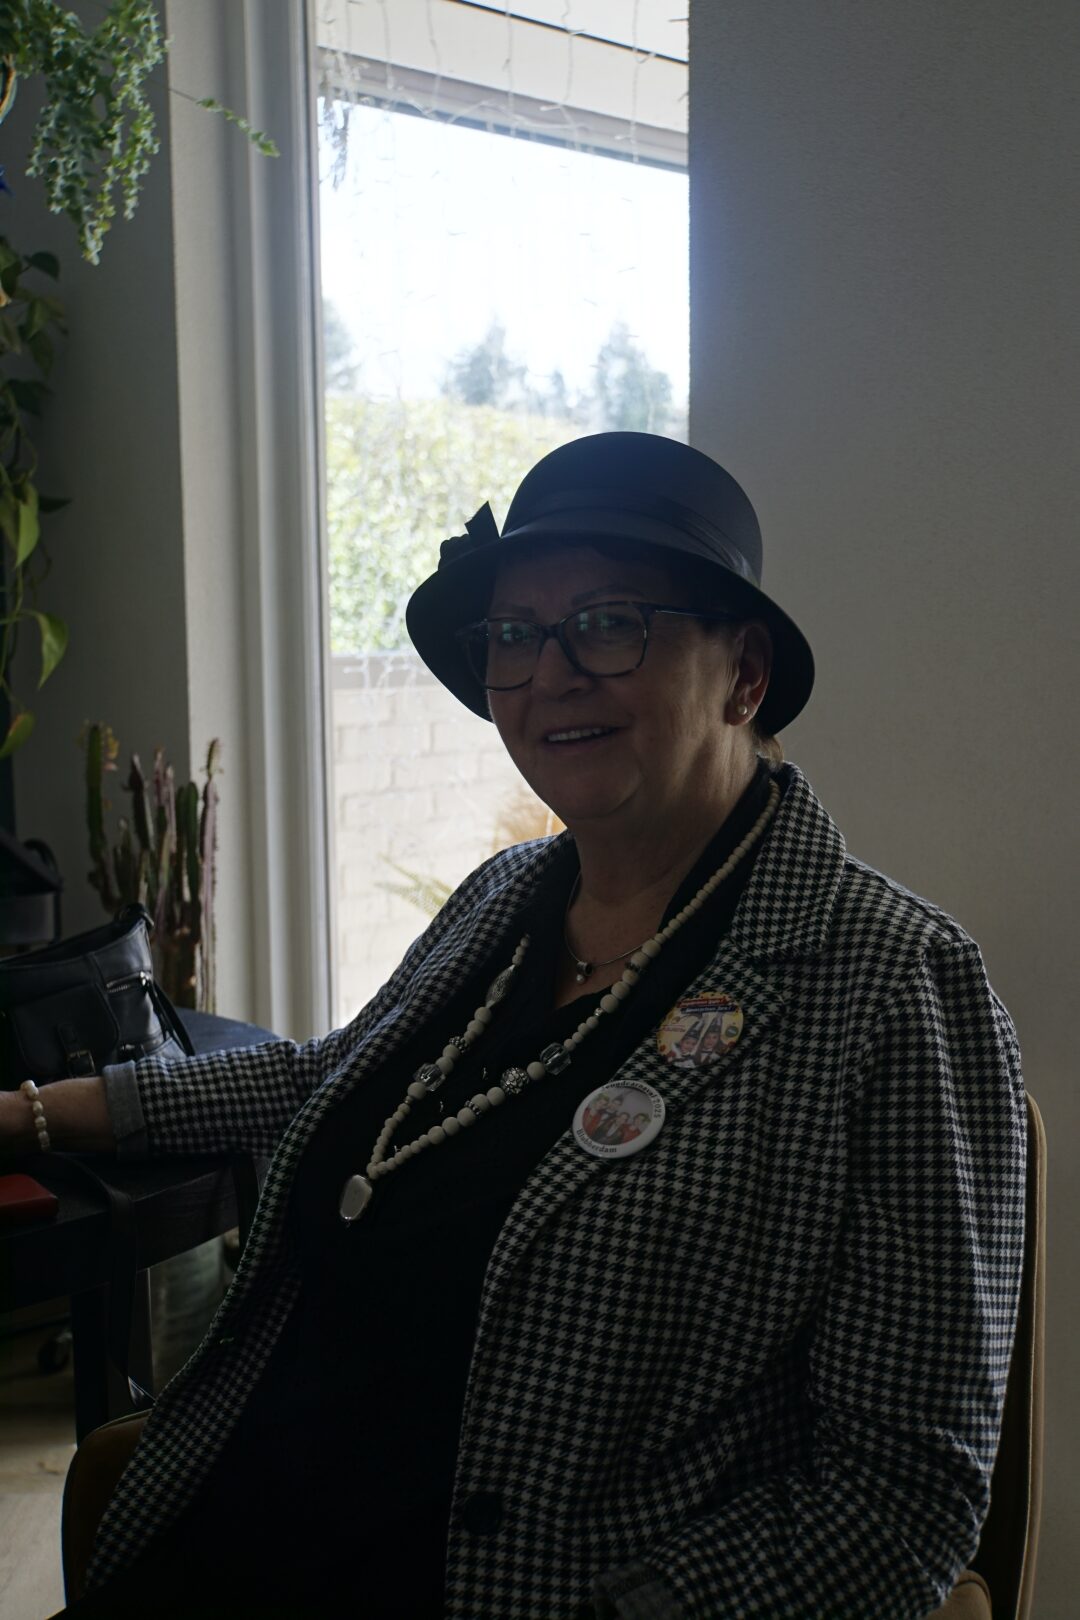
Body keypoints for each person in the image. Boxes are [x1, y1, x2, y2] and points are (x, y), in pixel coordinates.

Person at [2, 432, 1025, 1620]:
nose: (550, 675)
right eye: (515, 634)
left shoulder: (892, 986)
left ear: (743, 674)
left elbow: (901, 1497)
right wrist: (36, 1114)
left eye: (608, 623)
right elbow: (328, 1077)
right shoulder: (506, 899)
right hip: (228, 1535)